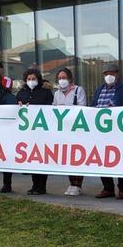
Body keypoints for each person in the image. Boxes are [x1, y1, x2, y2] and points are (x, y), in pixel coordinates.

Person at [92, 63, 123, 199]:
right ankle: (108, 188)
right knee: (102, 159)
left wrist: (115, 108)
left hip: (118, 131)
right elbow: (93, 106)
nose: (108, 76)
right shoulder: (99, 89)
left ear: (117, 74)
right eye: (106, 74)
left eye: (111, 73)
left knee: (120, 159)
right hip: (101, 131)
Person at [16, 68, 54, 195]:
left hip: (42, 131)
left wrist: (30, 103)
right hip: (28, 132)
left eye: (33, 79)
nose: (31, 81)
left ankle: (41, 186)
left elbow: (48, 108)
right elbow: (17, 105)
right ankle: (34, 185)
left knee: (42, 158)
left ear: (38, 79)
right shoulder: (21, 92)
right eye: (29, 79)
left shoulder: (46, 92)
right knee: (32, 158)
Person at [52, 68, 87, 196]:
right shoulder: (57, 93)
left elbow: (82, 107)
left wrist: (66, 109)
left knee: (77, 156)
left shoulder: (78, 90)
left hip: (76, 129)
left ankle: (78, 185)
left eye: (64, 77)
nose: (62, 80)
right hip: (64, 130)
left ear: (70, 78)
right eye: (60, 78)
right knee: (67, 157)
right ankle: (72, 183)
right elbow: (53, 108)